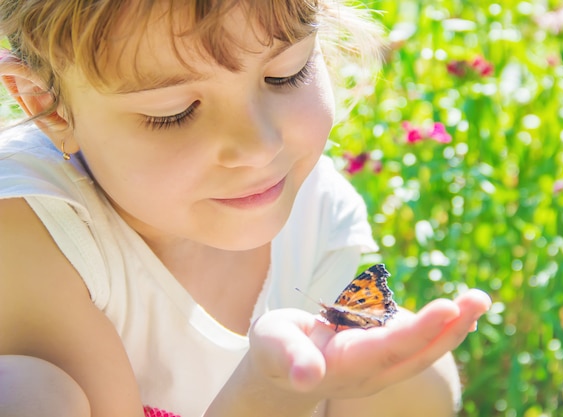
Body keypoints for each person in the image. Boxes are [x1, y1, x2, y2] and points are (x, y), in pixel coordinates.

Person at [0, 1, 491, 416]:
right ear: (48, 104)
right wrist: (269, 389)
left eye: (286, 74)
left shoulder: (318, 208)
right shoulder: (29, 228)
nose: (258, 148)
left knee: (414, 376)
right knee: (21, 389)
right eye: (174, 113)